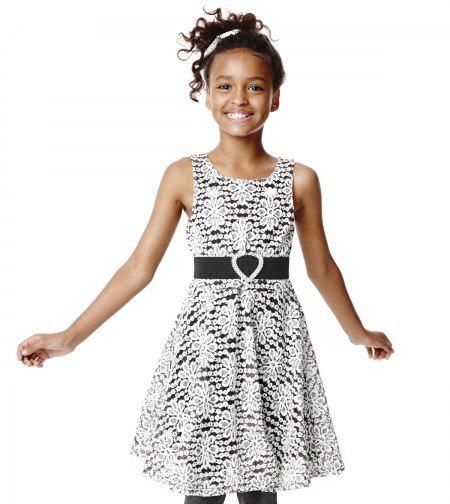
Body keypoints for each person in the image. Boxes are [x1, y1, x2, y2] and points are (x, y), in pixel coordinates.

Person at [16, 6, 395, 504]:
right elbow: (139, 268)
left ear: (275, 96)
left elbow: (321, 267)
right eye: (225, 86)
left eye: (254, 87)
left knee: (261, 485)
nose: (239, 99)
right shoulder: (183, 175)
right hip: (206, 343)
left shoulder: (300, 179)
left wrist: (357, 332)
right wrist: (70, 337)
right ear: (205, 93)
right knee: (202, 481)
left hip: (275, 343)